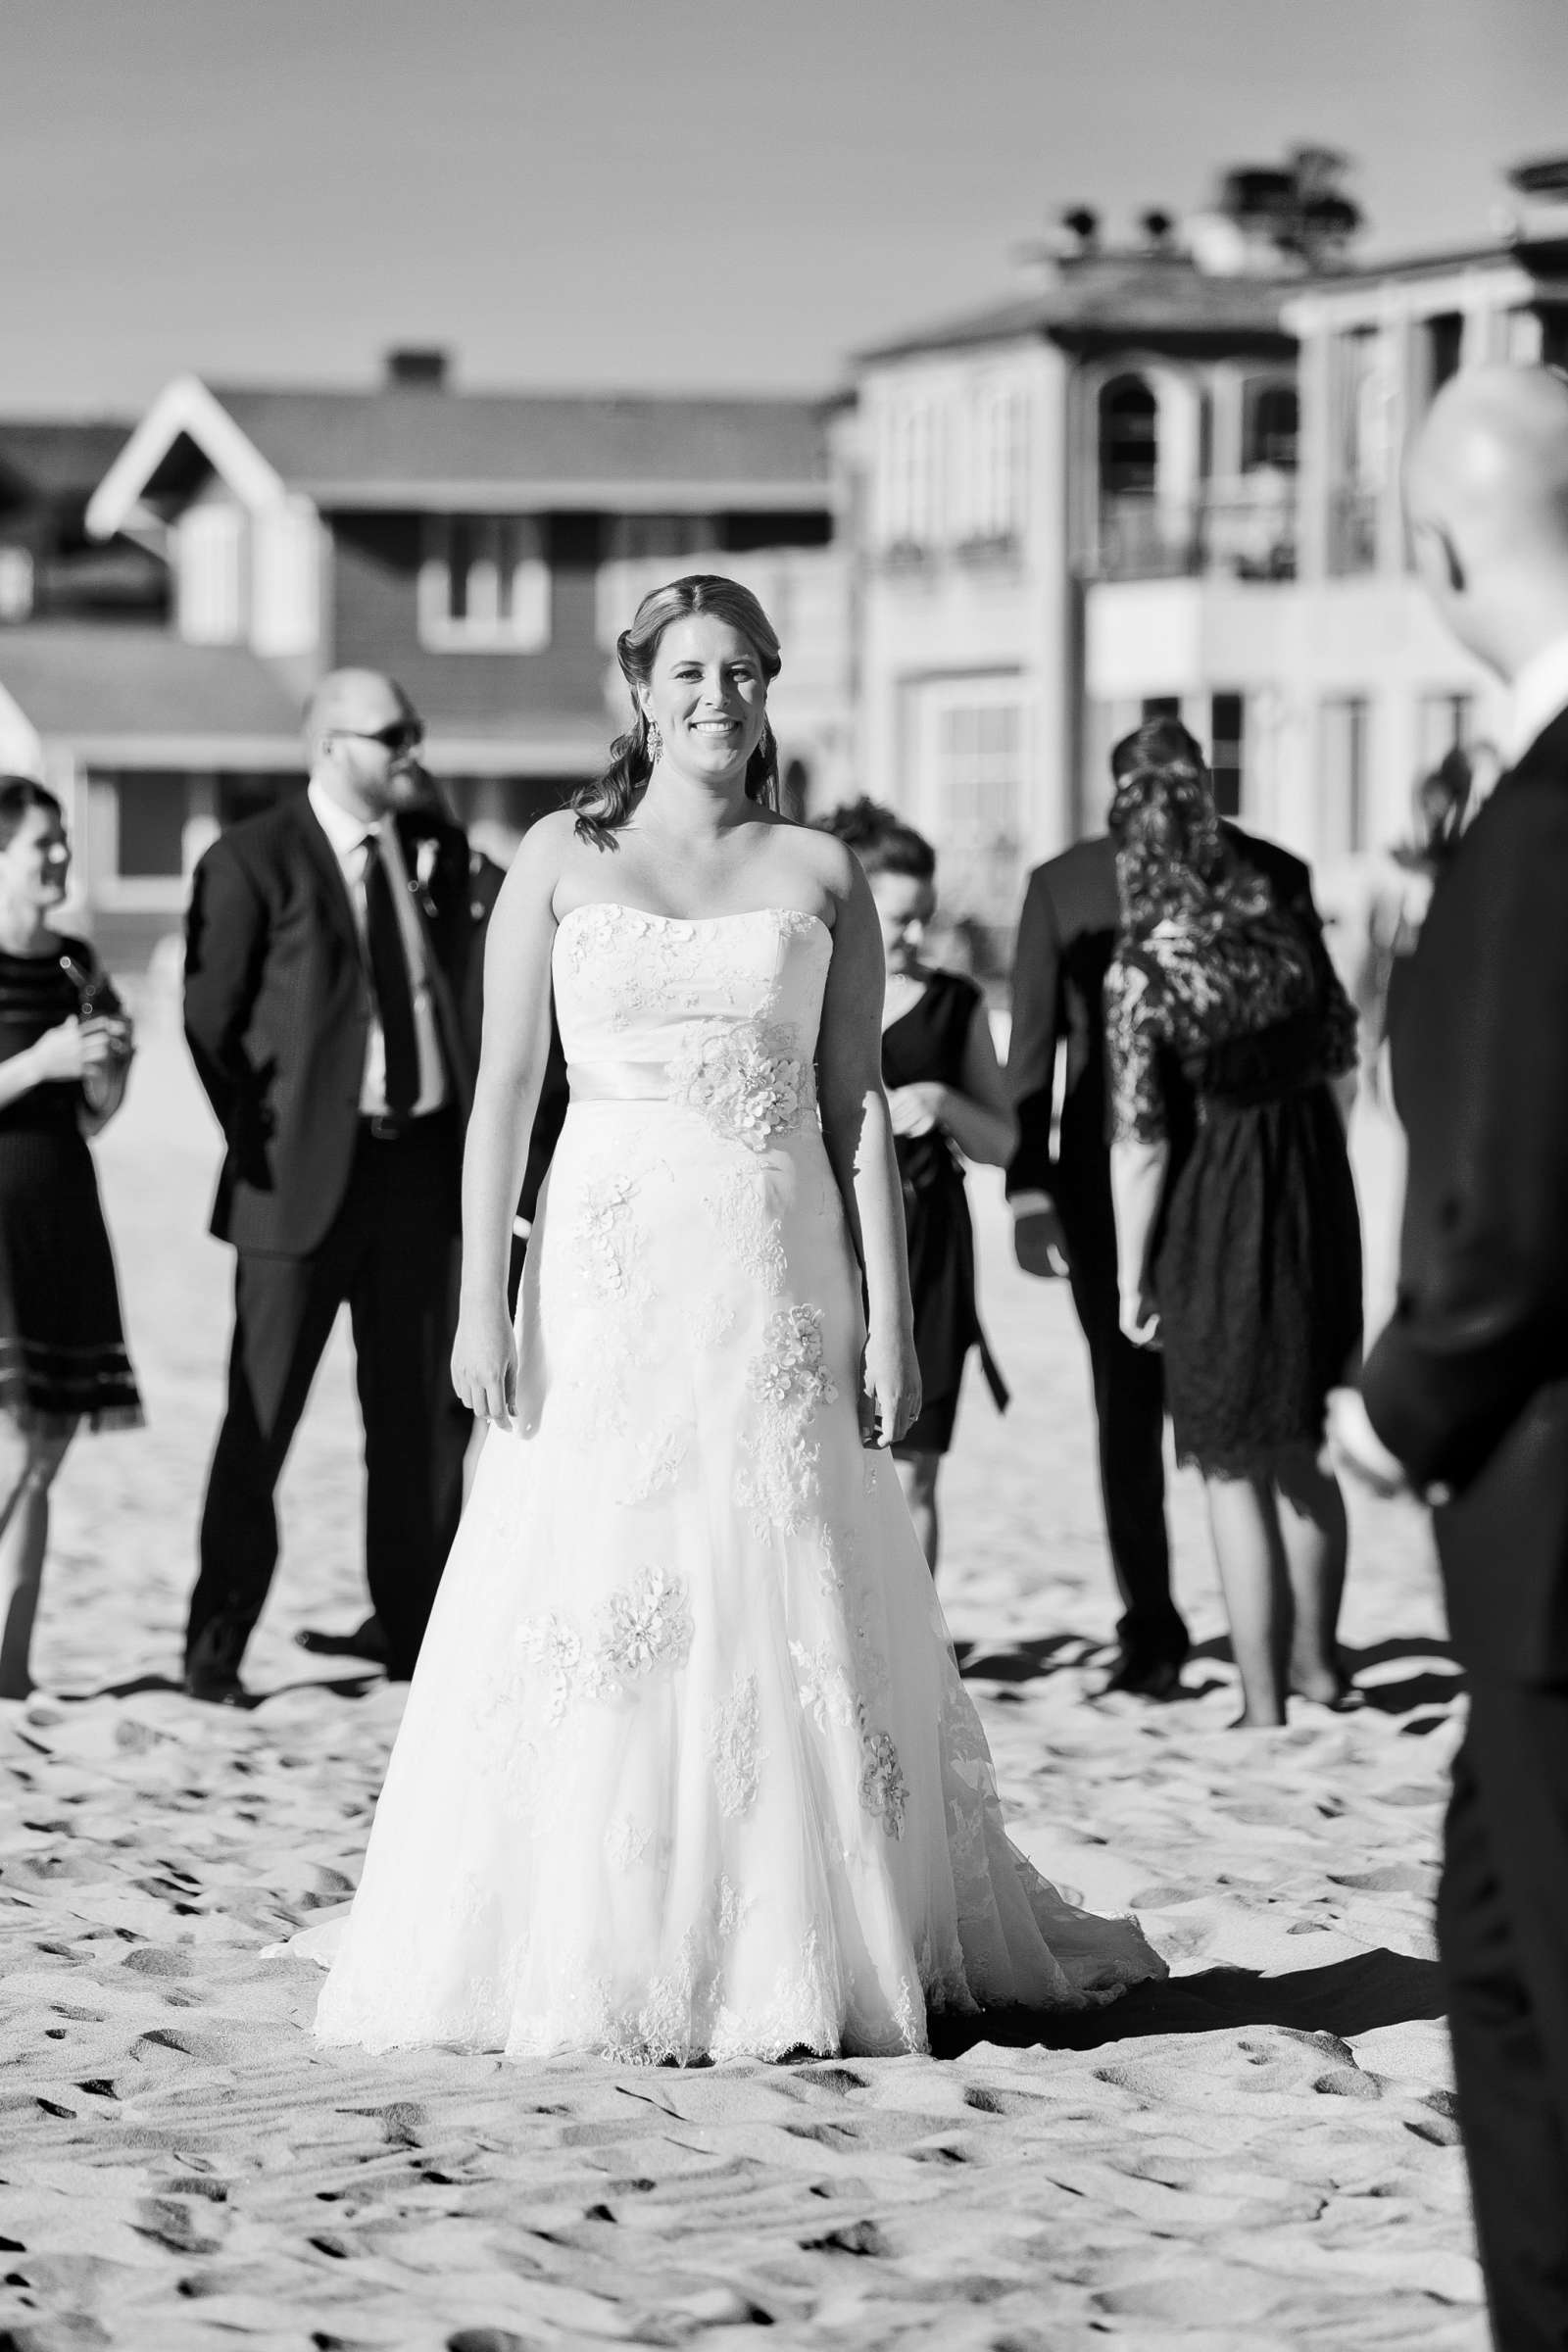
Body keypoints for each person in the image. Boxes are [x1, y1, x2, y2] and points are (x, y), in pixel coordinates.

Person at [281, 574, 1165, 2061]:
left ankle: (793, 1932)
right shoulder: (559, 857)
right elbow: (504, 1092)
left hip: (774, 1266)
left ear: (769, 687)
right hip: (607, 1265)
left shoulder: (819, 869)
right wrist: (479, 1303)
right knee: (601, 1576)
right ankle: (606, 1924)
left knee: (782, 1573)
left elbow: (858, 1106)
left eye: (744, 669)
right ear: (639, 686)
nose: (718, 695)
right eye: (688, 669)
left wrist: (889, 1316)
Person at [1331, 365, 1568, 2350]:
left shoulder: (1546, 811)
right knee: (1488, 1954)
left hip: (1551, 1516)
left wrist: (1395, 1401)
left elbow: (1512, 1199)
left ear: (1436, 548)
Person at [181, 671, 474, 1704]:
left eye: (416, 730)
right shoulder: (250, 860)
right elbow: (208, 1026)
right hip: (294, 1183)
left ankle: (411, 1633)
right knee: (259, 1421)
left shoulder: (435, 859)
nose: (412, 750)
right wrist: (272, 1137)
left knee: (420, 1425)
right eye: (393, 734)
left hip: (420, 1179)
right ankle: (214, 1650)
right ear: (330, 743)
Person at [1006, 751, 1321, 1697]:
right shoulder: (1059, 886)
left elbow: (1310, 1036)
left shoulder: (1275, 871)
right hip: (1109, 1181)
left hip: (1237, 1173)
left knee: (1249, 1409)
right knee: (1130, 1410)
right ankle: (1158, 1628)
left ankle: (1278, 1647)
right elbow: (1034, 1051)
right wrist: (1029, 1188)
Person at [1104, 719, 1362, 1729]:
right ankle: (1321, 1668)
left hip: (1213, 1191)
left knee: (1225, 1456)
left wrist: (1131, 1274)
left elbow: (1140, 1141)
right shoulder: (1283, 914)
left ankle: (1260, 1704)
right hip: (1309, 1175)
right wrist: (1313, 1161)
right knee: (1301, 1438)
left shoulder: (1145, 963)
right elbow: (1340, 1052)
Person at [291, 766, 567, 1673]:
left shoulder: (488, 889)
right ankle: (413, 1611)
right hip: (427, 1177)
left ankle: (456, 1612)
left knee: (487, 1418)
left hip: (518, 1182)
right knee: (420, 1418)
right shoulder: (398, 901)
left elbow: (542, 1061)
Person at [815, 798, 1012, 1571]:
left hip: (929, 1242)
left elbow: (1003, 1144)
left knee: (913, 1463)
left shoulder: (955, 1004)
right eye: (899, 917)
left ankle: (916, 1647)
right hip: (825, 1232)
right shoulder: (806, 988)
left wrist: (942, 1103)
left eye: (925, 917)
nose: (914, 936)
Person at [0, 779, 140, 1697]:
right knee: (11, 1449)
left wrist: (105, 1075)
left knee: (44, 1447)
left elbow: (93, 1118)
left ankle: (12, 1667)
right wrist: (38, 1062)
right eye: (41, 844)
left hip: (63, 1217)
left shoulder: (78, 963)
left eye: (62, 843)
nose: (59, 857)